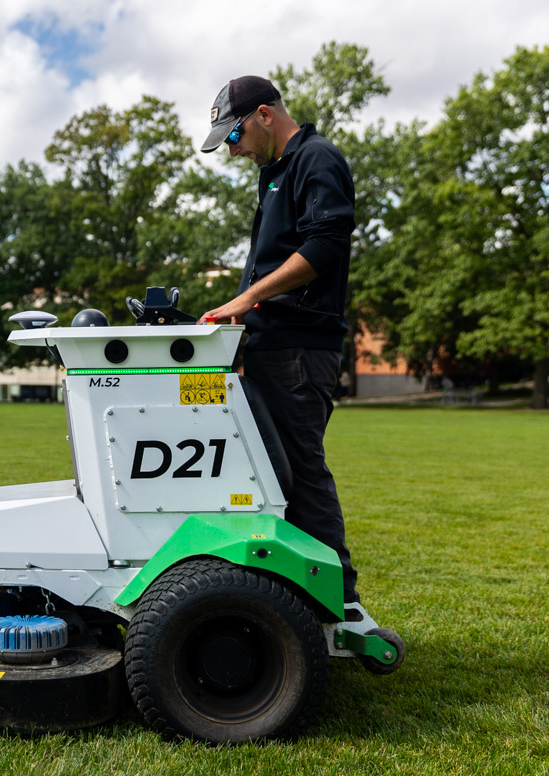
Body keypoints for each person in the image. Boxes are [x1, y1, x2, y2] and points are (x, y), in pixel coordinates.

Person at [198, 75, 360, 608]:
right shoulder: (274, 172)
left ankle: (339, 603)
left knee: (301, 472)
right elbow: (272, 263)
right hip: (270, 345)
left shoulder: (317, 159)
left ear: (265, 115)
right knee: (274, 474)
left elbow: (325, 246)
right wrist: (238, 312)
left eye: (234, 134)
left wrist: (245, 301)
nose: (232, 148)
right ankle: (295, 598)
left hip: (299, 348)